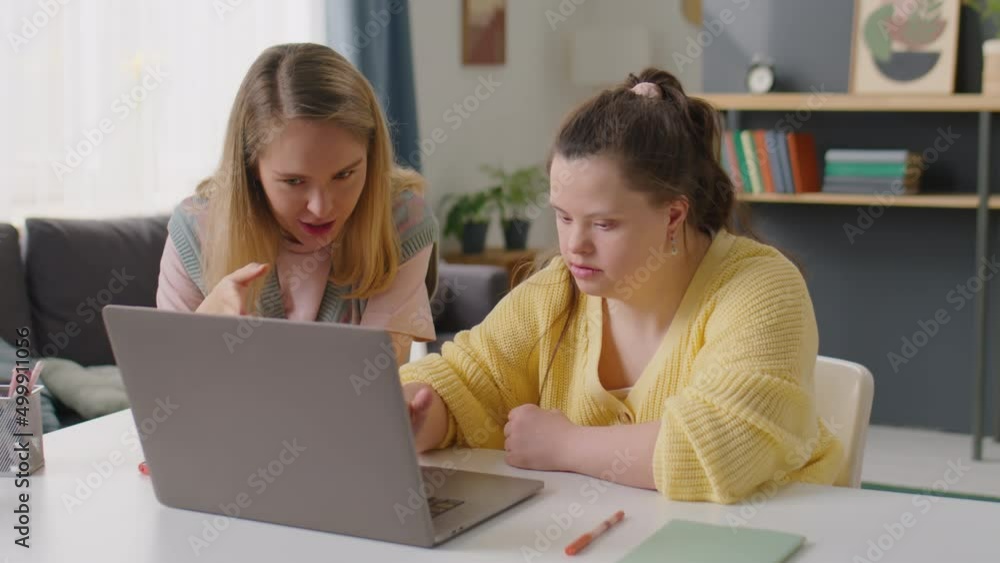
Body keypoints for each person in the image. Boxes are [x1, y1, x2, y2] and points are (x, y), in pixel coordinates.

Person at [401, 68, 843, 504]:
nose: (574, 246)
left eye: (604, 224)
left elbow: (724, 449)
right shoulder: (556, 290)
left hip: (775, 533)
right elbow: (467, 381)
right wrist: (418, 412)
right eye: (563, 216)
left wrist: (565, 445)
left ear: (673, 215)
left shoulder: (762, 289)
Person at [156, 43, 439, 366]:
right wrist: (201, 329)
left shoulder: (402, 219)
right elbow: (166, 380)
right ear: (251, 168)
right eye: (294, 181)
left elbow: (373, 378)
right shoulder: (196, 228)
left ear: (371, 157)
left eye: (344, 174)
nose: (321, 208)